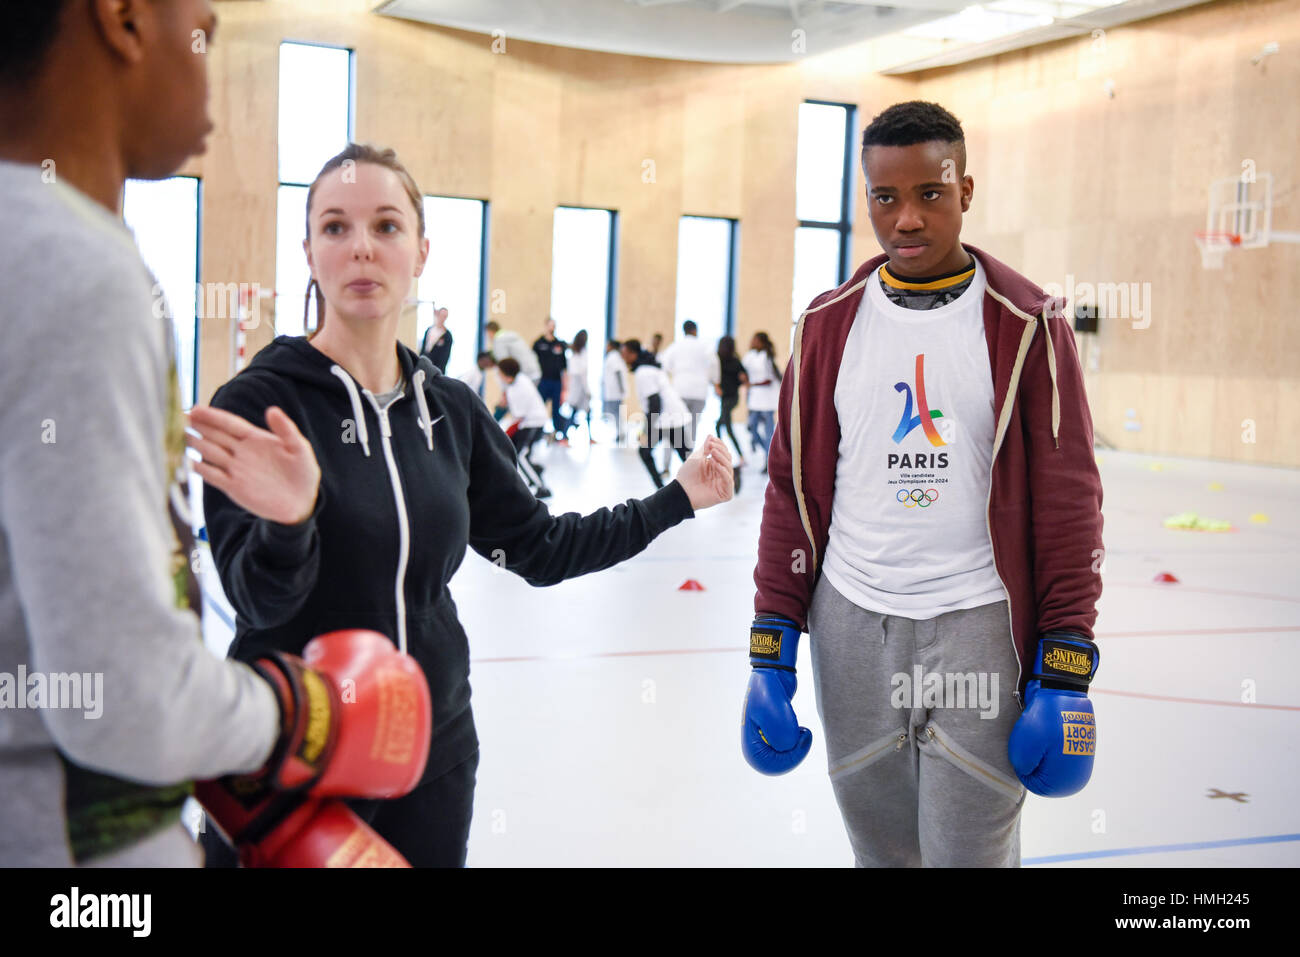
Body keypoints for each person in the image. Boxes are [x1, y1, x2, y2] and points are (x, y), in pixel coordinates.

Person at [190, 142, 736, 867]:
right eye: (335, 227)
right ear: (309, 251)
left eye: (386, 226)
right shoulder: (261, 405)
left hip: (432, 748)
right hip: (299, 759)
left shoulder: (447, 407)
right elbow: (256, 604)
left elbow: (541, 548)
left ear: (420, 252)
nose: (361, 248)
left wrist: (677, 498)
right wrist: (292, 524)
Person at [0, 0, 419, 868]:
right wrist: (311, 715)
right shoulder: (72, 269)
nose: (210, 51)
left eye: (387, 227)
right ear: (120, 19)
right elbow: (121, 697)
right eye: (203, 28)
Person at [742, 101, 1104, 868]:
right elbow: (790, 490)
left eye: (929, 195)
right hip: (850, 632)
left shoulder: (1029, 323)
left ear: (965, 191)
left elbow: (1070, 499)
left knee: (968, 856)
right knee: (883, 855)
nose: (905, 219)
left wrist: (1067, 660)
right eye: (884, 198)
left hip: (979, 627)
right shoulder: (826, 324)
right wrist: (770, 649)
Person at [622, 339, 692, 490]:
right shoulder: (648, 368)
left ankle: (661, 489)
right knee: (687, 457)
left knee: (645, 451)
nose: (623, 357)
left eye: (625, 353)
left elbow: (655, 403)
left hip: (667, 417)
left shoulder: (643, 373)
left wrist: (646, 431)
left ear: (633, 354)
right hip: (672, 416)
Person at [658, 319, 720, 450]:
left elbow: (663, 364)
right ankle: (688, 459)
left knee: (674, 427)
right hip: (699, 391)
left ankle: (666, 466)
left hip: (679, 390)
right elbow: (714, 363)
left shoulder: (675, 346)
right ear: (695, 330)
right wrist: (714, 382)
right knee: (692, 427)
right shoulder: (704, 345)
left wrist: (674, 373)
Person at [495, 357, 551, 497]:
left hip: (533, 423)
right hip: (529, 421)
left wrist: (503, 432)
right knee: (512, 451)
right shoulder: (519, 379)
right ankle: (535, 470)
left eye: (500, 373)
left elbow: (518, 416)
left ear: (507, 376)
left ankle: (541, 487)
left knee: (521, 455)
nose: (498, 376)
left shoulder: (518, 389)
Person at [742, 331, 781, 470]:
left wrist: (752, 384)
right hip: (755, 399)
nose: (753, 342)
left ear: (762, 342)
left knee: (769, 432)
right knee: (751, 427)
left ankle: (768, 461)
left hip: (767, 400)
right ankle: (768, 453)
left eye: (756, 340)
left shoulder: (767, 357)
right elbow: (744, 372)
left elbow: (769, 379)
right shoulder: (750, 356)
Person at [714, 335, 747, 492]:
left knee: (726, 426)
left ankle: (738, 456)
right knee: (719, 424)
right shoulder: (718, 360)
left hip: (731, 399)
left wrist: (742, 379)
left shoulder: (734, 361)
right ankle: (723, 454)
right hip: (727, 398)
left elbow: (743, 378)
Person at [532, 317, 569, 443]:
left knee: (556, 410)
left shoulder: (560, 345)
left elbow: (564, 368)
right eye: (550, 325)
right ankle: (536, 434)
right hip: (543, 382)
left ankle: (559, 435)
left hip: (556, 382)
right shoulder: (538, 344)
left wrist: (565, 387)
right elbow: (533, 364)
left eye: (554, 326)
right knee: (539, 408)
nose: (552, 328)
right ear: (546, 326)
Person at [566, 330, 595, 442]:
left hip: (575, 386)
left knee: (582, 412)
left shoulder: (573, 352)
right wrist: (588, 390)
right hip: (580, 387)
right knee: (579, 412)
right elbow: (582, 373)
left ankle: (589, 437)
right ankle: (565, 436)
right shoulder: (581, 353)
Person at [602, 338, 628, 443]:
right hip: (615, 391)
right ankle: (620, 432)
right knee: (616, 413)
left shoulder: (613, 357)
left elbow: (618, 373)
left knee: (615, 414)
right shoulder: (616, 357)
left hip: (615, 391)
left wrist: (621, 388)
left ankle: (620, 433)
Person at [419, 305, 452, 373]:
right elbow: (424, 348)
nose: (442, 318)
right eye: (441, 315)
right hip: (424, 364)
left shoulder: (447, 335)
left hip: (437, 368)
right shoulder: (429, 330)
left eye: (445, 316)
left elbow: (445, 356)